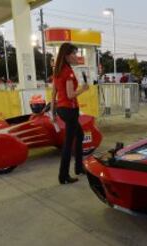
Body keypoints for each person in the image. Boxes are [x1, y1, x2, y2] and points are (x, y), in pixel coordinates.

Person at [51, 43, 89, 184]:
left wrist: (53, 111)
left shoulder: (57, 71)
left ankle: (78, 167)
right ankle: (64, 175)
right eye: (73, 53)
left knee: (80, 135)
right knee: (68, 143)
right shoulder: (68, 72)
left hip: (62, 109)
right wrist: (83, 89)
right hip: (70, 109)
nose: (76, 56)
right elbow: (70, 94)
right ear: (66, 55)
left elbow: (53, 93)